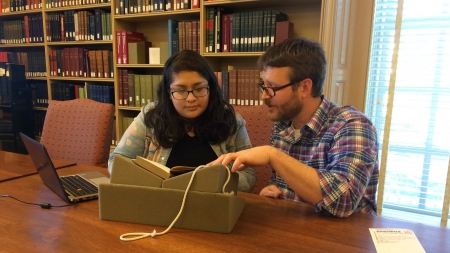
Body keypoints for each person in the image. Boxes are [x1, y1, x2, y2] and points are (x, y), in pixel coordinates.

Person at [209, 38, 379, 217]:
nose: (264, 96)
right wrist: (272, 190)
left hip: (347, 238)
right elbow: (284, 183)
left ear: (304, 87)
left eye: (272, 87)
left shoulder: (352, 126)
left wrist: (272, 156)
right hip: (299, 229)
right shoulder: (282, 126)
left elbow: (343, 201)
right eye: (263, 86)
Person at [108, 50, 256, 192]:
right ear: (168, 93)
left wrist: (207, 185)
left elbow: (248, 176)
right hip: (160, 205)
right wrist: (153, 183)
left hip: (213, 206)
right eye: (180, 90)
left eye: (199, 89)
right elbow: (116, 162)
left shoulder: (231, 121)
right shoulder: (151, 118)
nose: (191, 98)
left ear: (210, 88)